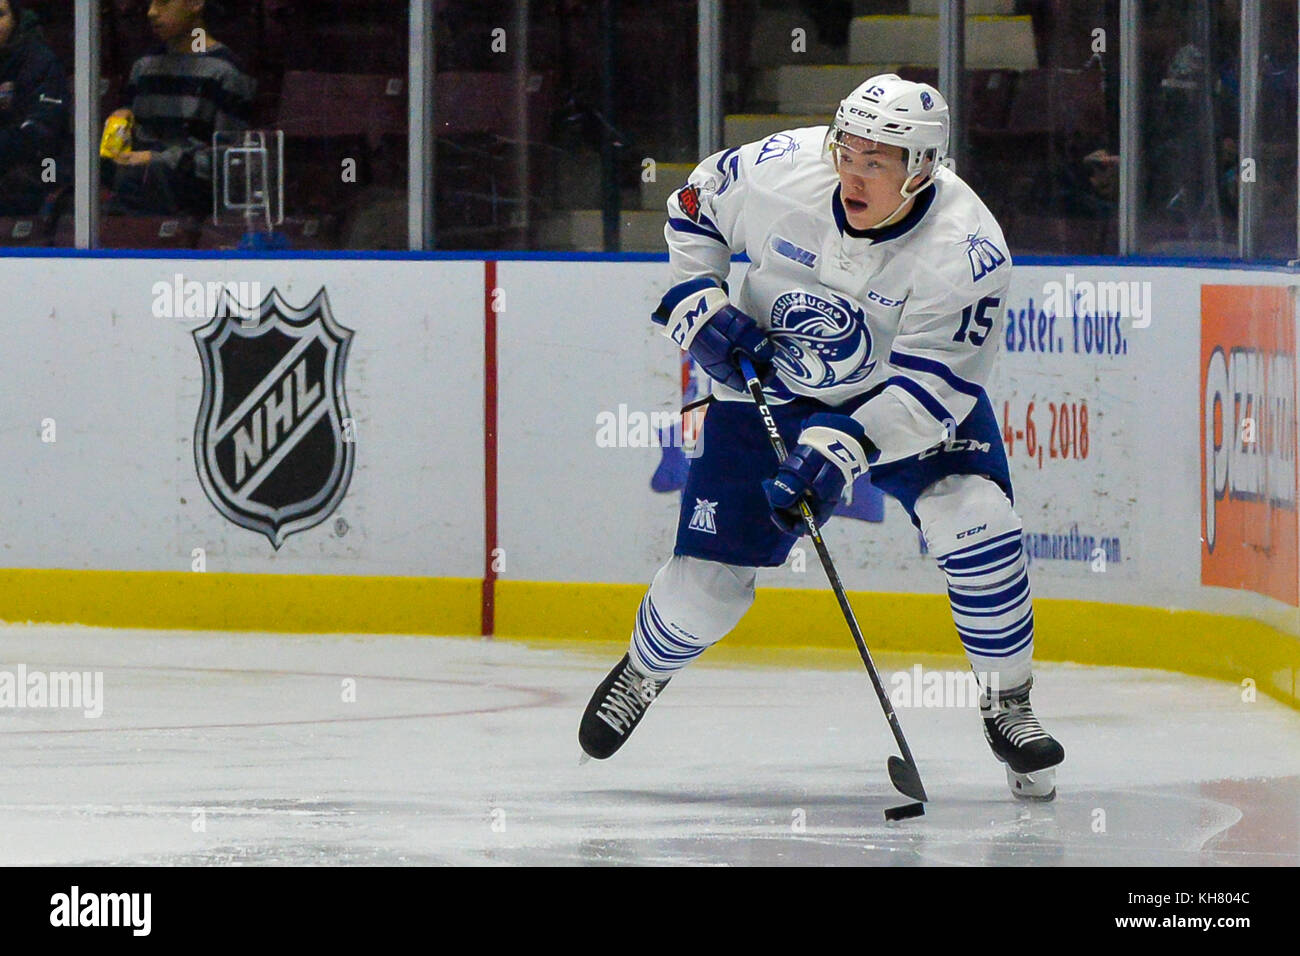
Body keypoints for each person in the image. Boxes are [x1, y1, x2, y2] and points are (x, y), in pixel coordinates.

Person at [577, 74, 1066, 801]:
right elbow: (693, 206)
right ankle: (644, 669)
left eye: (877, 162)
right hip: (766, 384)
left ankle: (1008, 704)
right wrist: (698, 301)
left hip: (898, 393)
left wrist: (844, 447)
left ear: (923, 168)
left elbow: (934, 391)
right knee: (703, 592)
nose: (852, 173)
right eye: (849, 151)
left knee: (975, 518)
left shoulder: (966, 251)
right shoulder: (785, 168)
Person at [104, 0, 254, 216]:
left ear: (195, 4)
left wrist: (157, 159)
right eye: (150, 4)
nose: (151, 13)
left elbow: (229, 160)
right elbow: (130, 136)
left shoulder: (226, 72)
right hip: (139, 187)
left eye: (164, 3)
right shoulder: (143, 67)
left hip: (190, 199)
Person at [0, 0, 69, 216]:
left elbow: (42, 133)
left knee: (27, 179)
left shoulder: (40, 61)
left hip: (44, 163)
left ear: (16, 20)